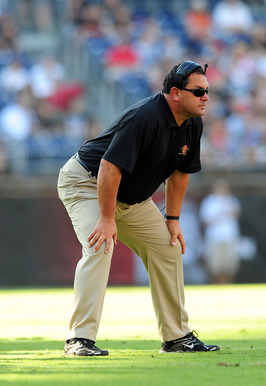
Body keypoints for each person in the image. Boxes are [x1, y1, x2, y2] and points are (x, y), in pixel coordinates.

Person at [57, 60, 220, 356]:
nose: (206, 97)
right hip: (86, 183)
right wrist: (106, 218)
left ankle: (176, 337)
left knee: (167, 248)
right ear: (175, 92)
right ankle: (79, 339)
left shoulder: (194, 122)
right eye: (198, 92)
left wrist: (172, 218)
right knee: (99, 247)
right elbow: (109, 167)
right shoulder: (145, 117)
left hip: (132, 199)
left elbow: (181, 172)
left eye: (207, 91)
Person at [199, 179, 242, 284]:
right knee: (215, 265)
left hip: (230, 237)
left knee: (230, 265)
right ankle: (217, 285)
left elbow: (237, 214)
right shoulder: (209, 201)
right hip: (215, 238)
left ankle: (228, 285)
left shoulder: (232, 200)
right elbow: (205, 220)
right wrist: (218, 217)